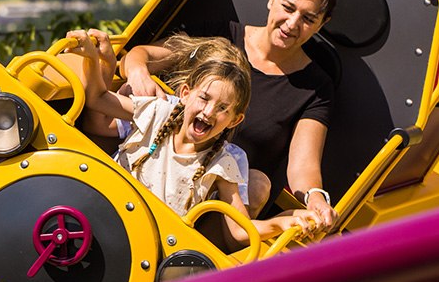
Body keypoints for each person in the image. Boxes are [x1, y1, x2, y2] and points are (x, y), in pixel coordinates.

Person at [119, 0, 339, 229]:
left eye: (308, 19)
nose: (292, 24)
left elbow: (303, 166)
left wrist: (316, 198)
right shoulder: (222, 37)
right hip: (161, 163)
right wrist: (138, 71)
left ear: (321, 24)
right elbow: (143, 55)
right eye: (288, 7)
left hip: (218, 199)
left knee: (257, 183)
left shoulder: (315, 87)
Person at [65, 29, 321, 248]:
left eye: (223, 109)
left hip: (149, 239)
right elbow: (98, 99)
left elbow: (240, 231)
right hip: (104, 204)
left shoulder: (223, 164)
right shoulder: (158, 111)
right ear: (186, 93)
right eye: (204, 99)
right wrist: (93, 60)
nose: (209, 112)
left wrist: (284, 221)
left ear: (235, 120)